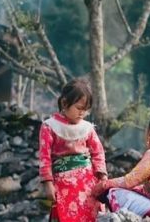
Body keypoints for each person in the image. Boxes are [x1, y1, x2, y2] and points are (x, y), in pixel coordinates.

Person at [38, 79, 107, 222]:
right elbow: (44, 157)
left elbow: (98, 153)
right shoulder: (49, 127)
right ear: (64, 103)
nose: (82, 113)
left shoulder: (87, 128)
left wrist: (102, 177)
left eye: (85, 109)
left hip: (88, 185)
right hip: (62, 186)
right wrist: (48, 184)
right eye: (79, 108)